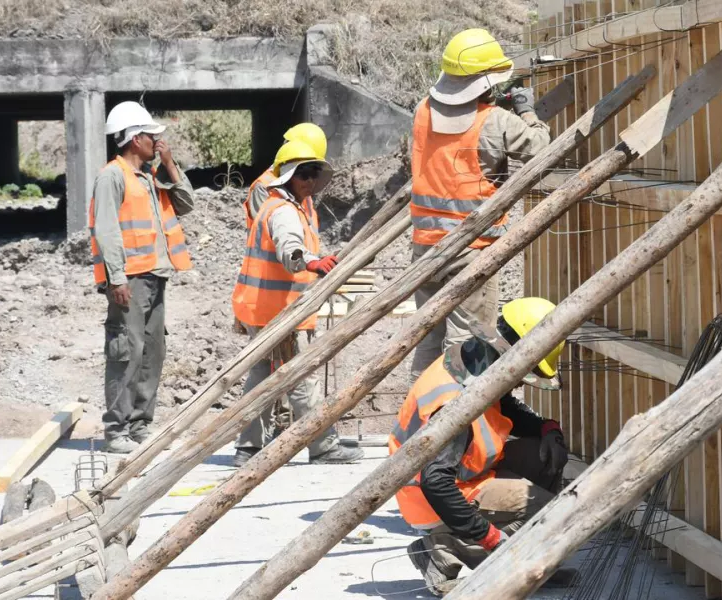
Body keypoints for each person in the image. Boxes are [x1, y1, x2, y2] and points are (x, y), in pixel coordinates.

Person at [390, 297, 573, 596]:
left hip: (462, 475)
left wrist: (547, 428)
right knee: (551, 515)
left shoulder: (473, 361)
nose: (521, 384)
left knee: (544, 455)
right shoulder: (454, 405)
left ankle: (529, 559)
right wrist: (488, 537)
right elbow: (436, 482)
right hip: (429, 495)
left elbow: (506, 406)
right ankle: (441, 551)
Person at [408, 28, 551, 381]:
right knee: (465, 344)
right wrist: (526, 110)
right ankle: (454, 427)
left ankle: (420, 418)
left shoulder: (422, 111)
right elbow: (539, 146)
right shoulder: (497, 121)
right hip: (471, 250)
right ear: (487, 82)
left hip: (425, 247)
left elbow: (458, 132)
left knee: (430, 339)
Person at [230, 140, 363, 467]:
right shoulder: (284, 211)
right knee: (304, 379)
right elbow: (288, 247)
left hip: (268, 309)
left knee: (262, 377)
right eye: (303, 173)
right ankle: (324, 446)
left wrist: (313, 260)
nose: (309, 180)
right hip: (282, 313)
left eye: (314, 173)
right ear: (288, 176)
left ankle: (248, 448)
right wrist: (308, 261)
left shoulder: (288, 205)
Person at [89, 101, 195, 454]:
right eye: (152, 136)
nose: (157, 141)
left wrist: (168, 163)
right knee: (125, 351)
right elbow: (107, 230)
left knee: (152, 351)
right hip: (129, 281)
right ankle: (117, 428)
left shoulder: (150, 177)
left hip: (155, 276)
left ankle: (139, 424)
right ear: (136, 139)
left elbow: (186, 204)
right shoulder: (112, 176)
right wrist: (116, 278)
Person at [243, 123, 331, 230]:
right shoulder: (264, 187)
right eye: (305, 172)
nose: (310, 180)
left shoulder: (302, 187)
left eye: (314, 172)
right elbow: (267, 233)